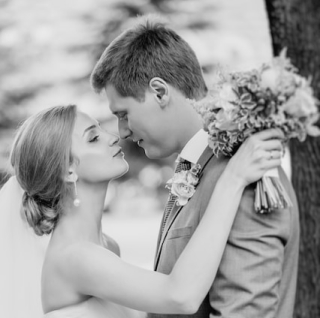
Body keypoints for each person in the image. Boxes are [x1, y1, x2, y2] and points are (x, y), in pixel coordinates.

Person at [0, 105, 284, 318]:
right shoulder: (76, 257)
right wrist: (234, 179)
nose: (114, 137)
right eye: (93, 138)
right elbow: (180, 296)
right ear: (69, 170)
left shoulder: (105, 245)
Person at [90, 16, 299, 318]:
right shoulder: (203, 166)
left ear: (160, 92)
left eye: (123, 114)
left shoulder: (248, 174)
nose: (122, 131)